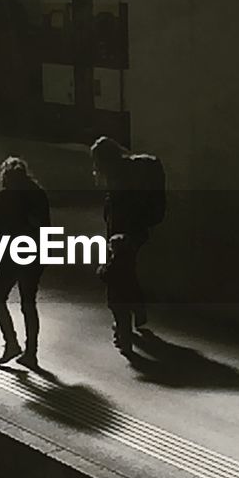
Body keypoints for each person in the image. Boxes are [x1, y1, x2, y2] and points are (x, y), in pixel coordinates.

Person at [90, 136, 166, 339]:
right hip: (135, 234)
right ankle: (137, 314)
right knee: (127, 274)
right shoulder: (129, 171)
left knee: (116, 281)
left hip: (122, 237)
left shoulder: (118, 177)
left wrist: (114, 241)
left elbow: (118, 213)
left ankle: (123, 331)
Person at [0, 156, 50, 368]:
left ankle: (11, 343)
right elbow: (46, 229)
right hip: (32, 255)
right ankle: (31, 352)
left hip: (9, 256)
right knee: (28, 304)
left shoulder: (4, 198)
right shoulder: (39, 195)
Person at [98, 234, 140, 357]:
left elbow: (107, 275)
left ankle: (124, 344)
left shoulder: (115, 261)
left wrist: (101, 269)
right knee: (124, 319)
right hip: (127, 294)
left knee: (121, 320)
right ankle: (120, 338)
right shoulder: (129, 259)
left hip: (117, 296)